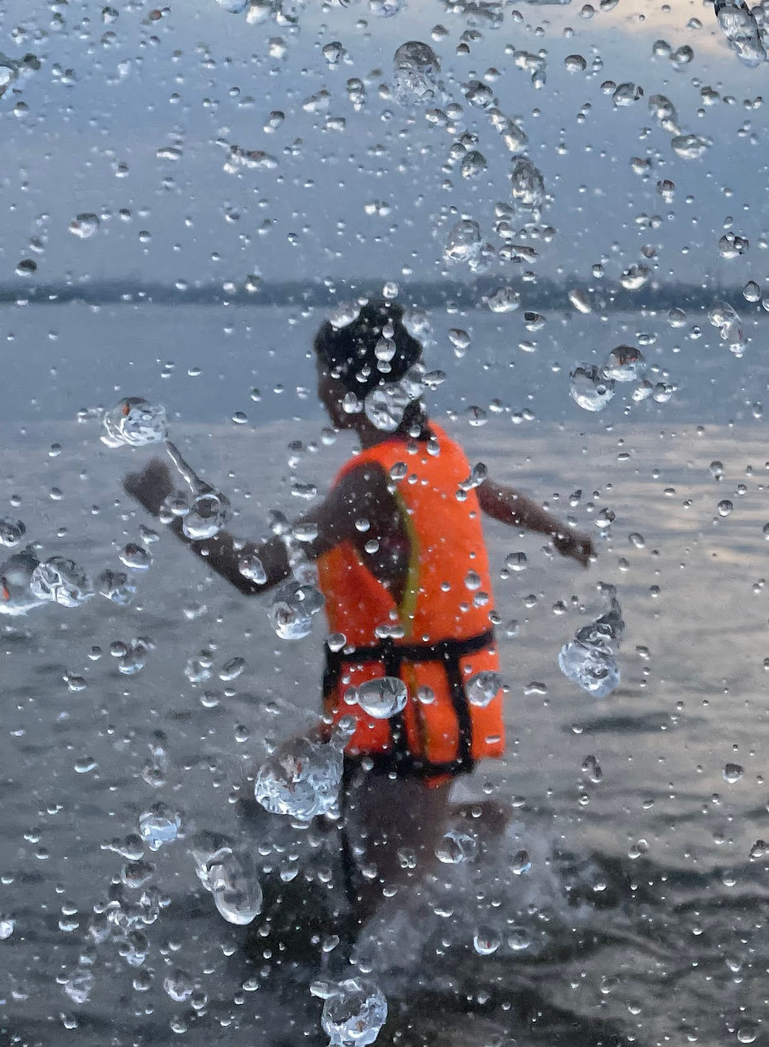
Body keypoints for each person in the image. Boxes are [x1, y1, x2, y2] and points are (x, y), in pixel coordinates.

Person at [124, 297, 593, 929]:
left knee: (379, 927)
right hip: (418, 700)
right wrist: (557, 530)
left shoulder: (371, 481)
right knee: (266, 801)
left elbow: (255, 569)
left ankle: (446, 867)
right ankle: (459, 830)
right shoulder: (436, 452)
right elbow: (496, 496)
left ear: (350, 383)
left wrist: (169, 505)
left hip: (409, 720)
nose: (318, 389)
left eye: (324, 373)